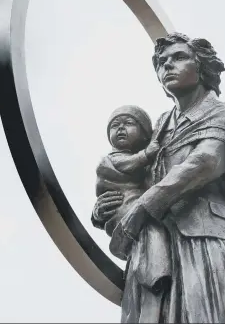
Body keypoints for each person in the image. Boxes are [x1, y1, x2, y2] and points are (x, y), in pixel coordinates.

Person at [98, 32, 225, 323]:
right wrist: (107, 207)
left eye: (179, 58)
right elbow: (135, 177)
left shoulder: (224, 115)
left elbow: (203, 163)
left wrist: (141, 208)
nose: (167, 66)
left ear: (202, 67)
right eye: (161, 62)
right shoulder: (159, 126)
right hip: (154, 248)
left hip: (205, 237)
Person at [92, 105, 173, 306]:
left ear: (144, 133)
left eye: (128, 123)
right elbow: (129, 167)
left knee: (151, 232)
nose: (120, 129)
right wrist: (97, 215)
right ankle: (156, 273)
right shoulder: (112, 160)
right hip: (126, 210)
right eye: (115, 125)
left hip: (142, 211)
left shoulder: (150, 159)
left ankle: (156, 272)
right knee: (149, 231)